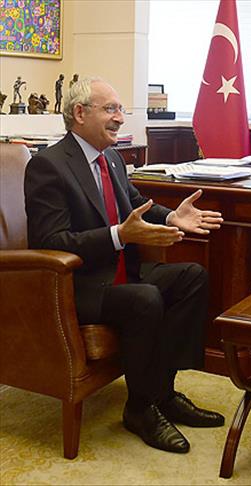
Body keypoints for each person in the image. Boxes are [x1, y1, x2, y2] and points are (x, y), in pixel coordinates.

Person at [24, 77, 226, 454]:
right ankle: (140, 408)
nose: (120, 117)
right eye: (111, 109)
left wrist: (171, 217)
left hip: (121, 273)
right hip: (79, 286)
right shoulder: (48, 165)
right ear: (80, 113)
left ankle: (163, 393)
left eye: (120, 109)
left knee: (192, 277)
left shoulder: (112, 158)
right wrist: (119, 235)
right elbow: (50, 242)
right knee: (144, 298)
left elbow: (135, 203)